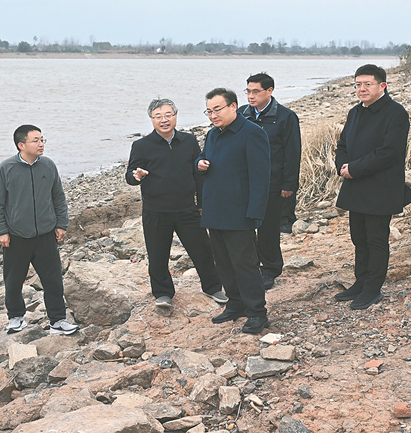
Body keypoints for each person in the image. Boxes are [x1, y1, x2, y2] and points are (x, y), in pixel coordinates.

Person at [126, 98, 228, 309]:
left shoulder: (188, 141)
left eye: (168, 115)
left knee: (203, 250)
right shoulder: (141, 146)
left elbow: (198, 175)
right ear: (151, 119)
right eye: (158, 116)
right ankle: (163, 293)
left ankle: (212, 287)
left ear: (175, 116)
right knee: (157, 255)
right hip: (156, 210)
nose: (164, 120)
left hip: (186, 208)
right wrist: (136, 175)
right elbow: (130, 175)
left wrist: (202, 203)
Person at [334, 65, 411, 310]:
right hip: (355, 184)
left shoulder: (396, 113)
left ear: (382, 86)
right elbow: (342, 145)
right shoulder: (355, 112)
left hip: (381, 186)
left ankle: (373, 288)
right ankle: (360, 282)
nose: (362, 89)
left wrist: (355, 168)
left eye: (367, 84)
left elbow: (389, 152)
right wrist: (342, 166)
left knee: (376, 239)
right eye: (358, 84)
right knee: (358, 238)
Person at [0, 125, 80, 335]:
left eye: (42, 140)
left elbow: (58, 197)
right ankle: (16, 318)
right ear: (21, 145)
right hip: (16, 236)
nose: (41, 144)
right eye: (36, 140)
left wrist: (61, 224)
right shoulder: (6, 168)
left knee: (53, 280)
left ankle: (58, 321)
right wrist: (0, 231)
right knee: (13, 281)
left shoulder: (48, 165)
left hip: (45, 234)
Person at [197, 88, 271, 334]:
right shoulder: (212, 134)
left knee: (245, 264)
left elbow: (261, 176)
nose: (213, 115)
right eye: (209, 111)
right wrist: (199, 163)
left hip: (240, 212)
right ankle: (235, 304)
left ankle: (257, 312)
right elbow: (204, 157)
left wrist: (255, 212)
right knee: (224, 263)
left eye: (217, 109)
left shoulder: (252, 133)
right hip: (215, 209)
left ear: (233, 107)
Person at [238, 72, 302, 289]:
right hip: (245, 182)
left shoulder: (285, 117)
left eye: (256, 92)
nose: (251, 96)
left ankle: (270, 269)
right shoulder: (241, 114)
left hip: (272, 184)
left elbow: (292, 152)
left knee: (268, 230)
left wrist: (289, 184)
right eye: (248, 91)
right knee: (245, 227)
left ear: (269, 91)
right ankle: (250, 266)